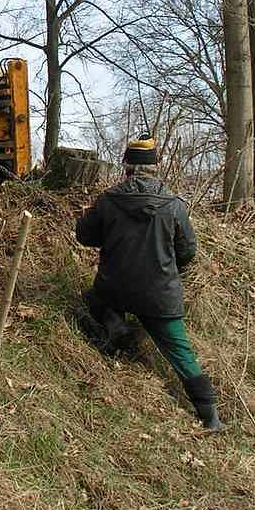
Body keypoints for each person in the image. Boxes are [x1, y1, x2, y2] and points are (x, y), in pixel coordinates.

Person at [75, 135, 224, 431]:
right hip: (160, 296)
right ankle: (210, 416)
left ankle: (117, 327)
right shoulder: (173, 204)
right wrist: (169, 271)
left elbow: (85, 236)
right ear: (156, 168)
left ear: (127, 167)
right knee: (181, 353)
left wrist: (90, 219)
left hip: (115, 287)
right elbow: (188, 251)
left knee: (94, 298)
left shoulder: (109, 200)